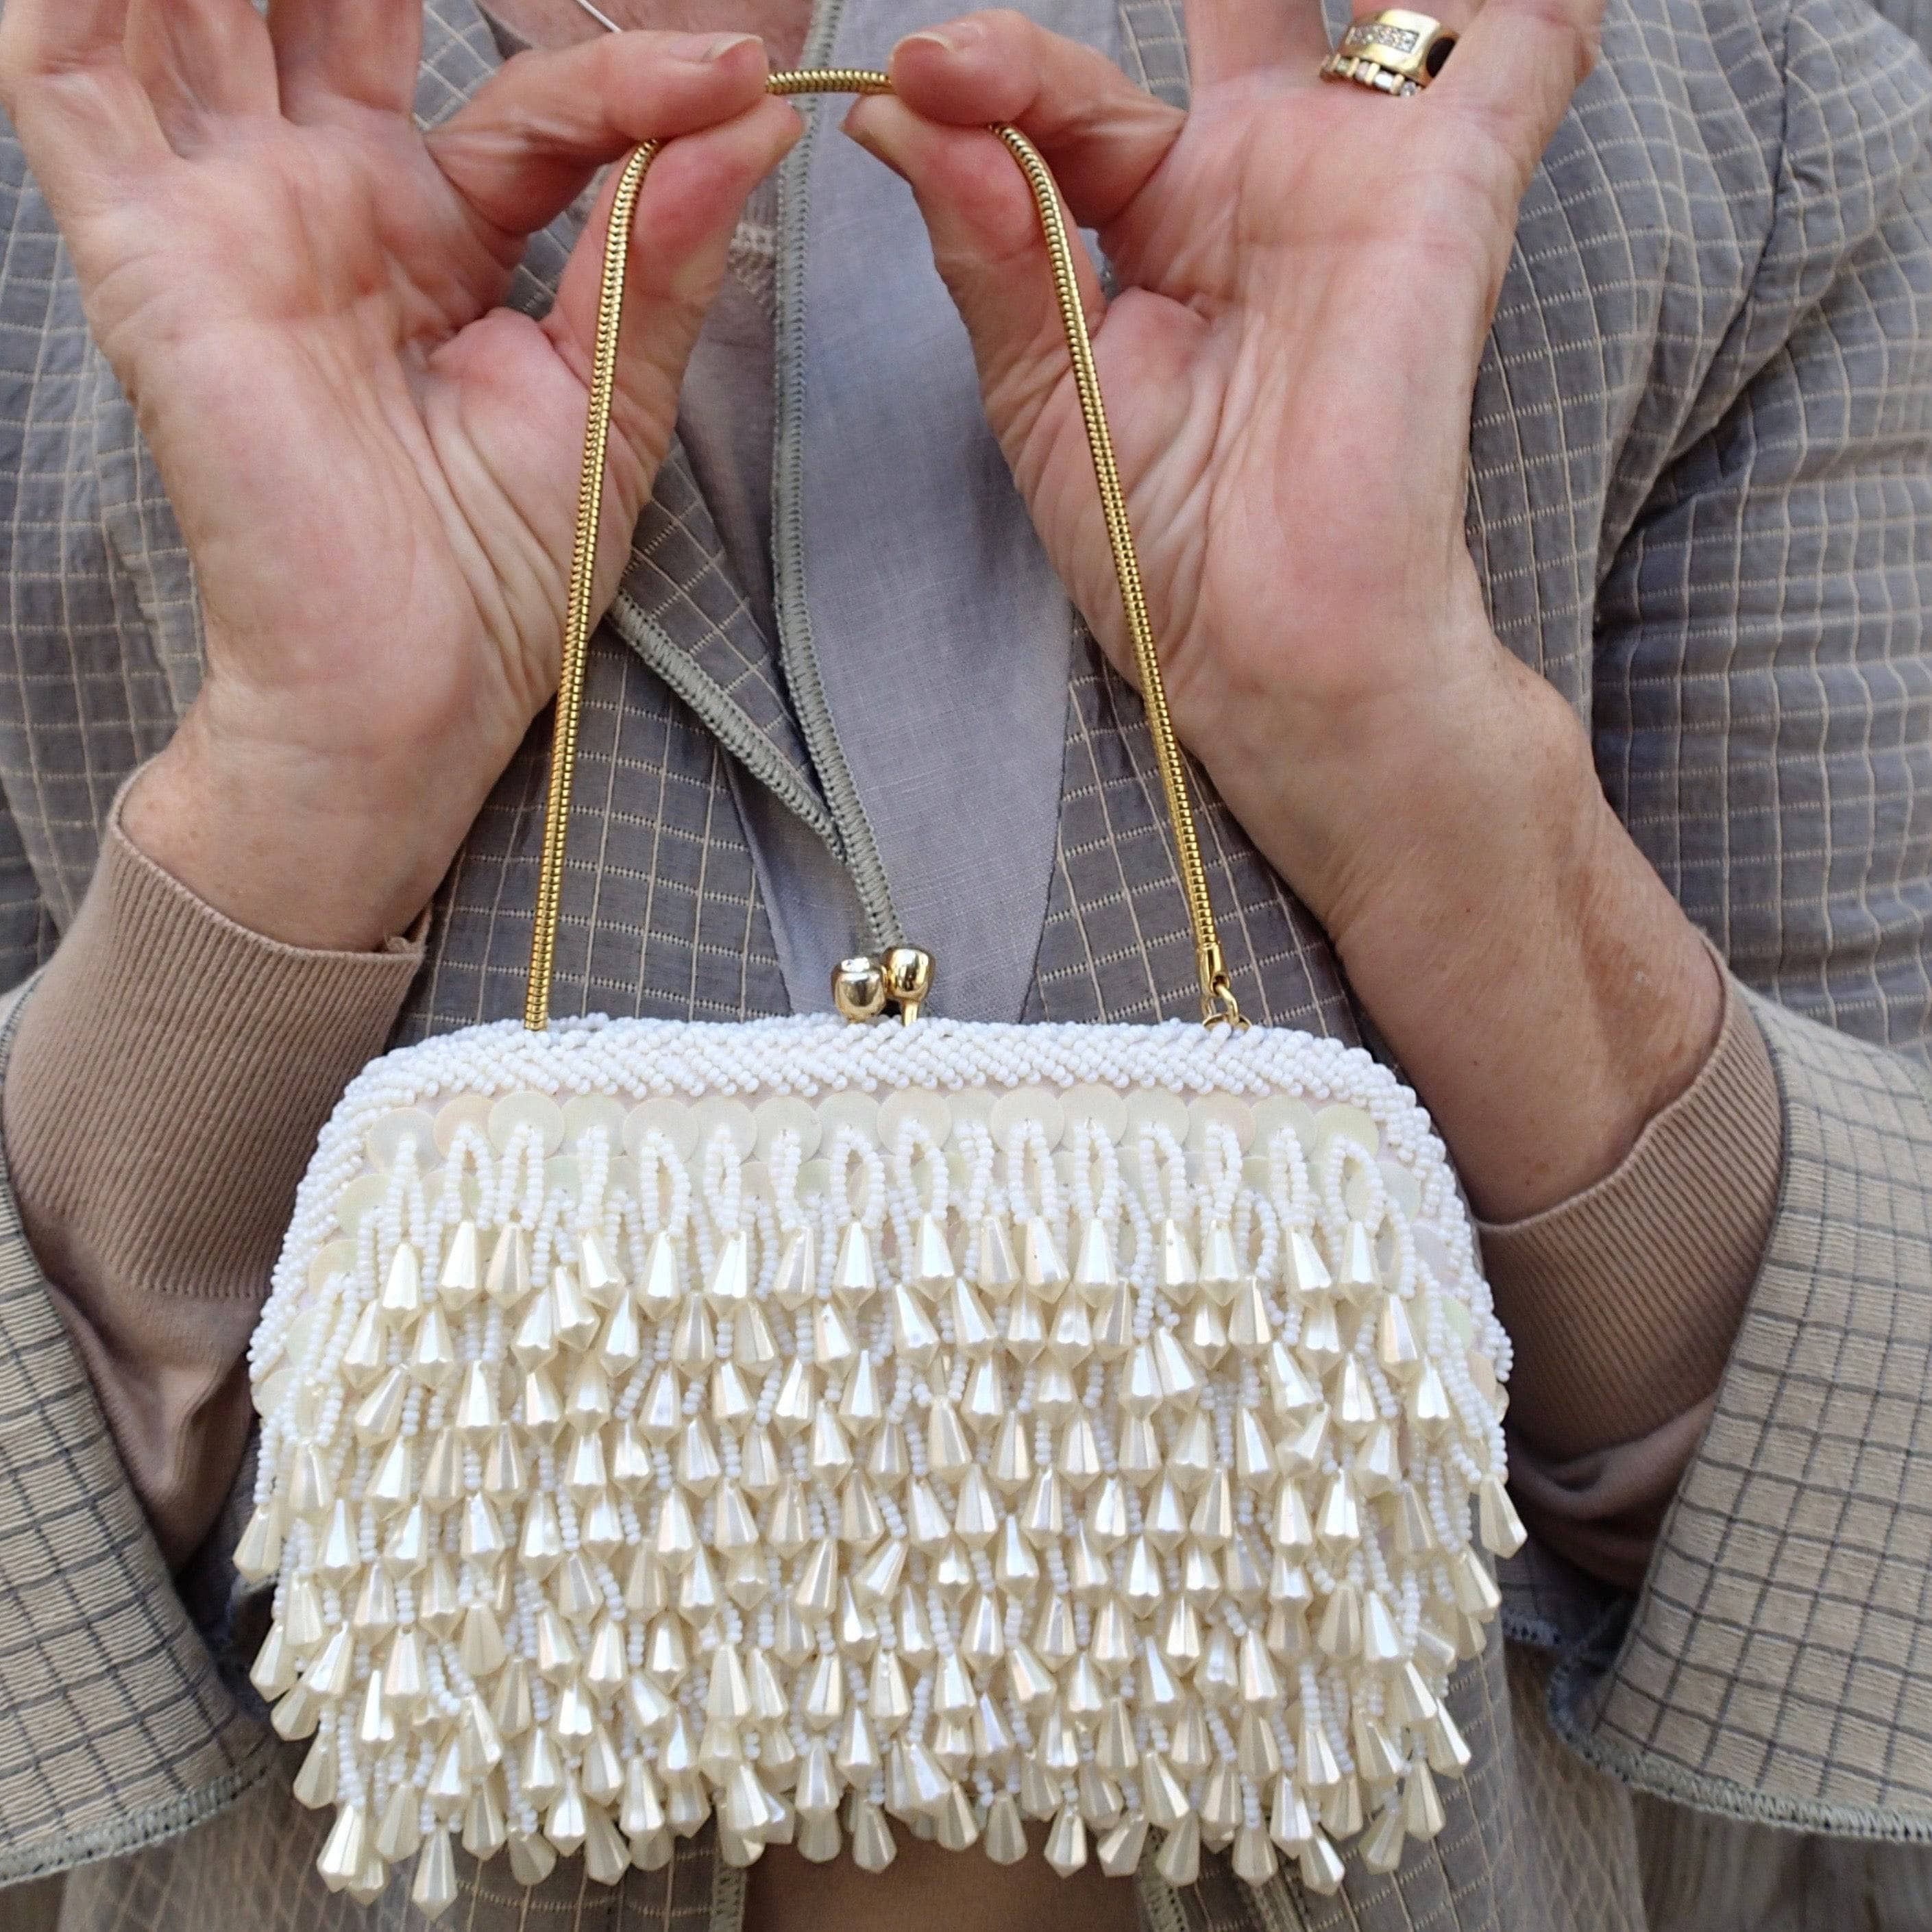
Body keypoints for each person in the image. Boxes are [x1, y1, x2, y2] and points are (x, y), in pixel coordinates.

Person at [0, 0, 1927, 1927]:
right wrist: (299, 793)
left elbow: (1868, 1563)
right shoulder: (82, 144)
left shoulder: (1724, 100)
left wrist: (1414, 764)